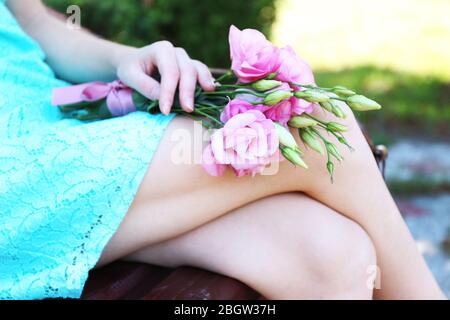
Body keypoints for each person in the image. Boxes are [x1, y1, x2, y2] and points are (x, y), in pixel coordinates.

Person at [0, 0, 445, 300]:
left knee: (330, 255)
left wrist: (126, 59)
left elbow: (35, 25)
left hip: (52, 117)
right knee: (317, 125)